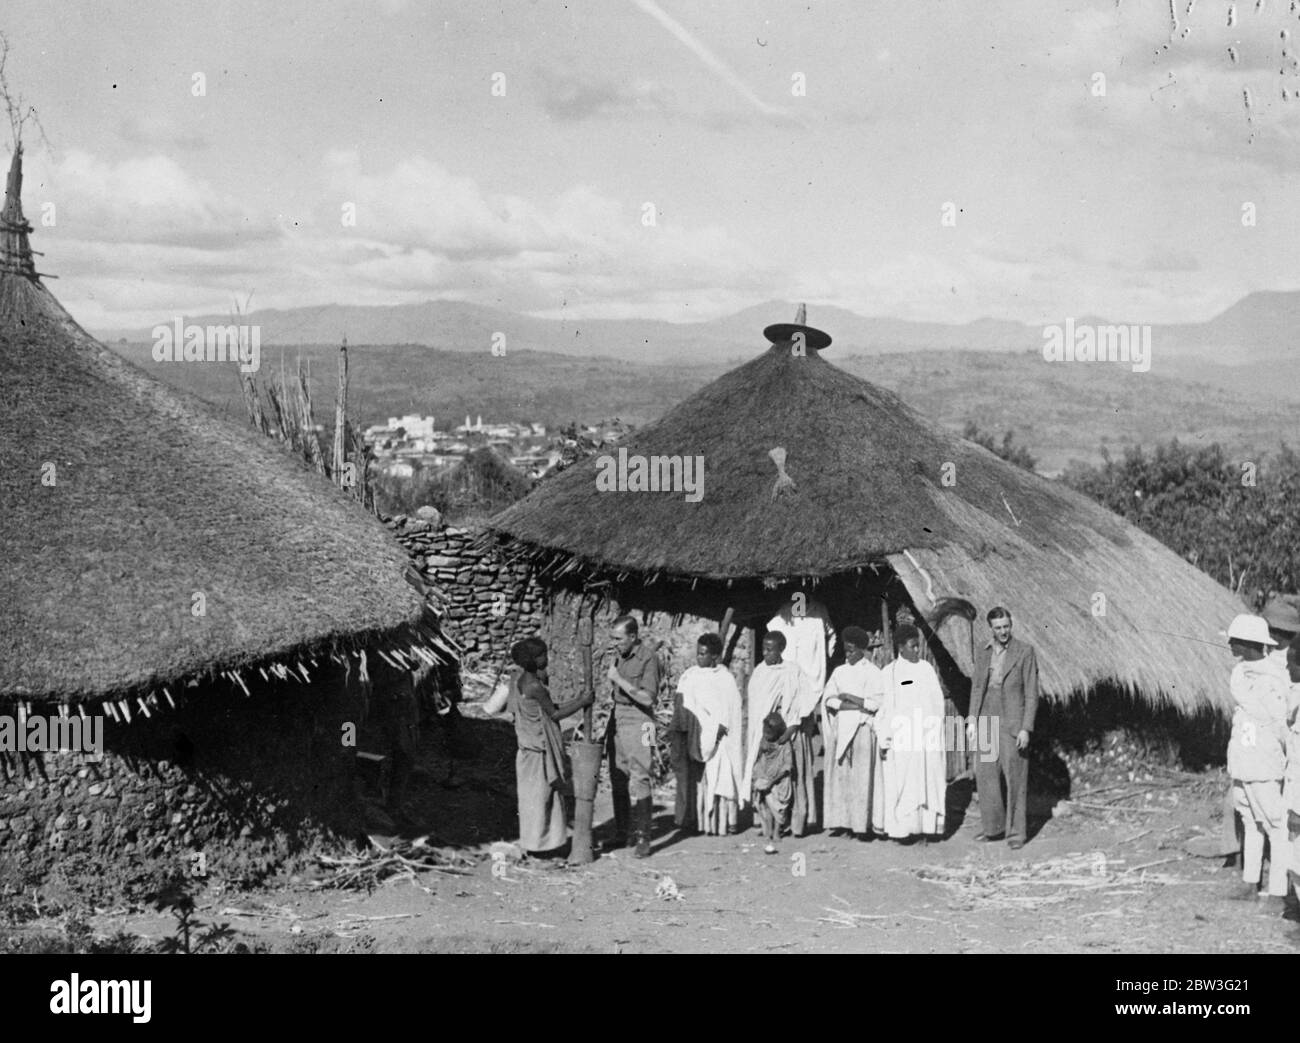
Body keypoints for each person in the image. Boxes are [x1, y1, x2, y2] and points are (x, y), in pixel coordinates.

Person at [1224, 614, 1291, 908]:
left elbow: (1280, 725)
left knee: (1276, 826)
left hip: (1264, 765)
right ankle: (1250, 882)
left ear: (1249, 644)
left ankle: (1278, 891)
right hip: (1243, 762)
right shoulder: (1241, 673)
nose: (1229, 644)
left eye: (1234, 640)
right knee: (1250, 822)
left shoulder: (1272, 679)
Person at [507, 637, 592, 856]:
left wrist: (578, 699)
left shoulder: (518, 679)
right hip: (538, 754)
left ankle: (540, 844)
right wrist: (582, 702)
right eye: (544, 655)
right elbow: (554, 714)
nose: (548, 658)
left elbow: (548, 708)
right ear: (534, 659)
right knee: (542, 799)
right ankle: (540, 848)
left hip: (527, 753)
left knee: (534, 799)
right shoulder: (534, 686)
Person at [967, 607, 1040, 850]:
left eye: (1006, 626)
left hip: (1012, 720)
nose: (1003, 631)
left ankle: (1016, 834)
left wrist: (1025, 728)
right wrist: (971, 720)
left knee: (1015, 777)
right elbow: (977, 687)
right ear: (991, 629)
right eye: (998, 628)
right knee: (986, 774)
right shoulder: (983, 651)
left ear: (1011, 625)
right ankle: (993, 828)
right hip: (987, 715)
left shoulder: (1025, 652)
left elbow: (1031, 693)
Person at [742, 631, 820, 836]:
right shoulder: (759, 672)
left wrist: (792, 727)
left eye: (770, 649)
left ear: (781, 650)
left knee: (791, 775)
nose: (766, 653)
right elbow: (756, 707)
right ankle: (768, 821)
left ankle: (795, 824)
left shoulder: (793, 671)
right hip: (766, 736)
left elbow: (806, 700)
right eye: (763, 649)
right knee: (766, 776)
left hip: (790, 732)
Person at [877, 624, 947, 841]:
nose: (917, 650)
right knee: (903, 785)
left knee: (927, 783)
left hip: (925, 739)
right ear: (900, 647)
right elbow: (885, 708)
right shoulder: (889, 673)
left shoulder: (926, 669)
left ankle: (927, 829)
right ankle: (904, 831)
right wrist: (885, 738)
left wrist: (930, 727)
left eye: (918, 646)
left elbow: (937, 703)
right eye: (912, 646)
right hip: (902, 740)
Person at [673, 633, 743, 835]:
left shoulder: (725, 679)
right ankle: (700, 822)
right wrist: (704, 728)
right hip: (696, 735)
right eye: (698, 653)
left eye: (704, 654)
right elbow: (686, 707)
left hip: (721, 738)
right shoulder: (690, 676)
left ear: (715, 656)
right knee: (698, 781)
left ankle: (726, 823)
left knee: (722, 774)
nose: (699, 658)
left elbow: (731, 710)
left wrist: (717, 730)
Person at [605, 615, 660, 858]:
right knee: (618, 775)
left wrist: (619, 680)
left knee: (641, 776)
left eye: (619, 639)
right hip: (618, 716)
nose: (615, 643)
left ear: (633, 637)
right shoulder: (620, 654)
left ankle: (643, 838)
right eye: (613, 639)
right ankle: (622, 832)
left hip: (641, 720)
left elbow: (648, 698)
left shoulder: (648, 658)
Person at [821, 625, 884, 838]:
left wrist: (851, 697)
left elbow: (875, 703)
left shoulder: (873, 672)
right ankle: (842, 821)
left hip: (862, 728)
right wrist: (846, 704)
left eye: (851, 651)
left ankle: (860, 825)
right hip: (842, 727)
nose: (847, 655)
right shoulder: (839, 672)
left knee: (861, 777)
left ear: (861, 650)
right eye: (845, 651)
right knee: (841, 776)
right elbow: (829, 698)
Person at [751, 712, 794, 855]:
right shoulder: (764, 741)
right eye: (765, 732)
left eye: (769, 733)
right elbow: (759, 758)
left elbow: (787, 766)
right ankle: (769, 832)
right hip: (766, 777)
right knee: (768, 807)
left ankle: (777, 832)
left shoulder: (785, 744)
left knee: (780, 809)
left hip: (780, 780)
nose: (766, 735)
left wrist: (773, 781)